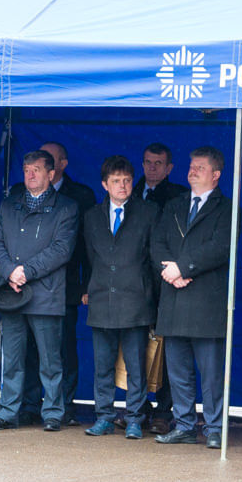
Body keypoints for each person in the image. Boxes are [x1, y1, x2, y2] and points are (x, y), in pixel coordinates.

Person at [0, 150, 78, 431]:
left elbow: (61, 250)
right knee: (12, 358)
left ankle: (52, 412)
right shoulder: (9, 205)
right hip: (11, 292)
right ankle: (8, 411)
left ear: (51, 174)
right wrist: (10, 272)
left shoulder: (67, 207)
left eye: (36, 169)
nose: (30, 174)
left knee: (50, 360)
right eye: (26, 169)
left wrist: (26, 271)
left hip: (45, 293)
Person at [151, 146, 235, 449]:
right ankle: (185, 425)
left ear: (216, 175)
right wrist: (169, 270)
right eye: (191, 165)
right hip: (173, 298)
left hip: (205, 302)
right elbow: (157, 241)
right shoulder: (174, 205)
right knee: (177, 371)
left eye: (200, 167)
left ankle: (214, 428)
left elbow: (221, 246)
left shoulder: (227, 208)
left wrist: (184, 268)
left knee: (211, 374)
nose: (192, 171)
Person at [17, 141, 96, 427]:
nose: (38, 167)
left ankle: (64, 403)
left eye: (47, 160)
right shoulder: (19, 194)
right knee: (29, 348)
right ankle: (29, 403)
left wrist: (87, 283)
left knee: (62, 348)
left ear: (60, 165)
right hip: (26, 284)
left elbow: (90, 245)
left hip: (66, 283)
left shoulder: (81, 196)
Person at [83, 156, 160, 439]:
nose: (123, 186)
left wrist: (151, 295)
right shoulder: (91, 216)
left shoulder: (149, 212)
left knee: (136, 366)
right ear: (105, 184)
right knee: (102, 365)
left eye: (127, 180)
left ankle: (135, 419)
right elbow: (89, 258)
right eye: (116, 181)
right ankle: (104, 416)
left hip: (136, 300)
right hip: (102, 298)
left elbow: (154, 258)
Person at [118, 142, 189, 435]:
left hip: (165, 283)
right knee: (135, 348)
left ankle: (163, 410)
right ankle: (138, 407)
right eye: (147, 162)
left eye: (158, 163)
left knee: (167, 348)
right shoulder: (129, 193)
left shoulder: (178, 198)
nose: (152, 167)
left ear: (170, 168)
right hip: (133, 283)